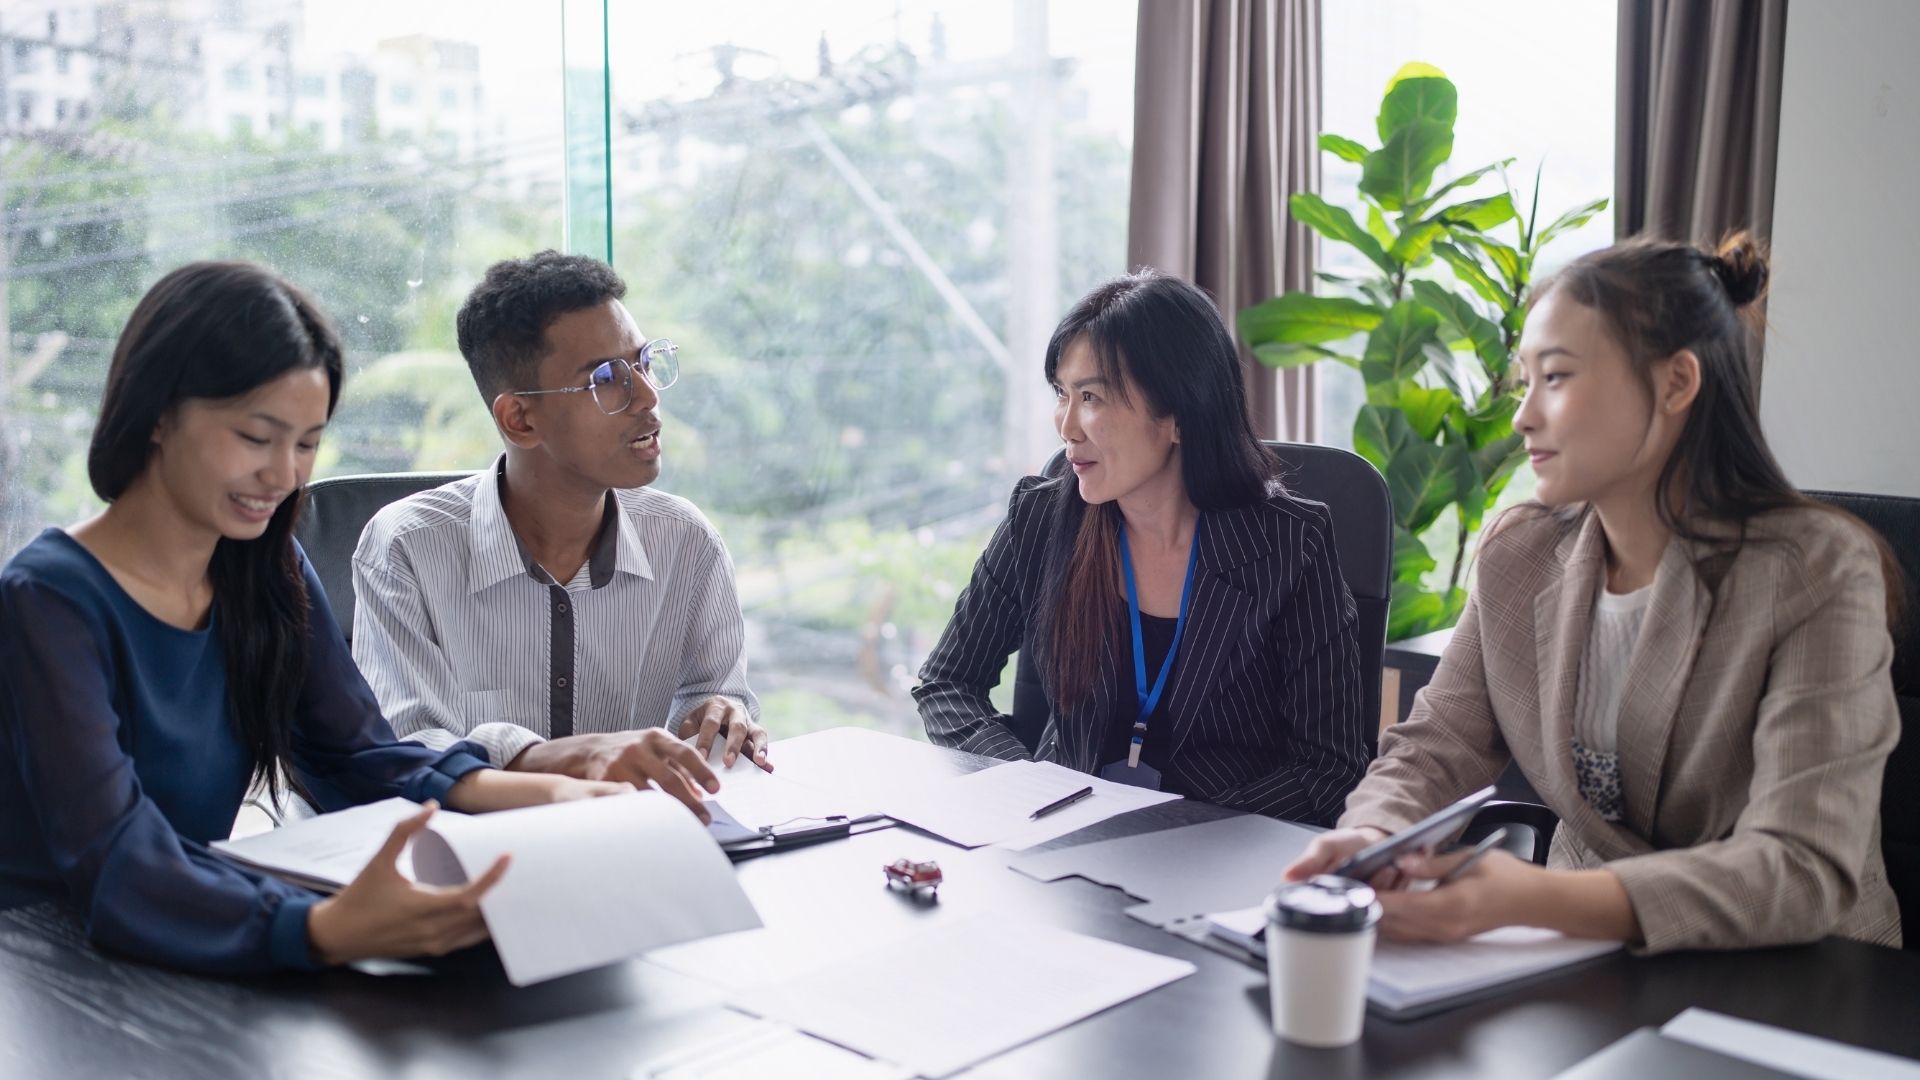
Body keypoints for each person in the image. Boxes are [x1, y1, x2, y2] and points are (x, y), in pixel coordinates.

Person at [0, 261, 630, 975]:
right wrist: (326, 928)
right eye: (256, 437)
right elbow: (113, 856)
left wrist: (555, 794)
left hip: (188, 935)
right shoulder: (48, 597)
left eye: (306, 443)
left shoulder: (265, 569)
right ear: (159, 415)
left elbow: (357, 754)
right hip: (45, 967)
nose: (285, 476)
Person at [1285, 233, 1904, 952]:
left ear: (1676, 383)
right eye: (1527, 381)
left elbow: (1801, 866)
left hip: (1798, 979)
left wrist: (1541, 898)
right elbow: (1435, 747)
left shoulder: (1817, 570)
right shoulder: (1519, 553)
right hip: (1583, 966)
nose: (1522, 416)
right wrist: (1372, 836)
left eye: (1556, 377)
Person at [915, 270, 1368, 824]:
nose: (1066, 426)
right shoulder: (1040, 519)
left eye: (1092, 397)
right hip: (1058, 838)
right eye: (1062, 393)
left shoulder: (1290, 546)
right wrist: (1027, 783)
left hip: (1214, 861)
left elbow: (1330, 768)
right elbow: (947, 682)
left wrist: (1182, 831)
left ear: (1179, 414)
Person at [350, 251, 768, 801]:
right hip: (471, 858)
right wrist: (550, 756)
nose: (647, 396)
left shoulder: (686, 541)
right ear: (519, 419)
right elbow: (407, 751)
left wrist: (719, 714)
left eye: (644, 363)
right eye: (606, 378)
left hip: (633, 846)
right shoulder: (406, 547)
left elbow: (714, 697)